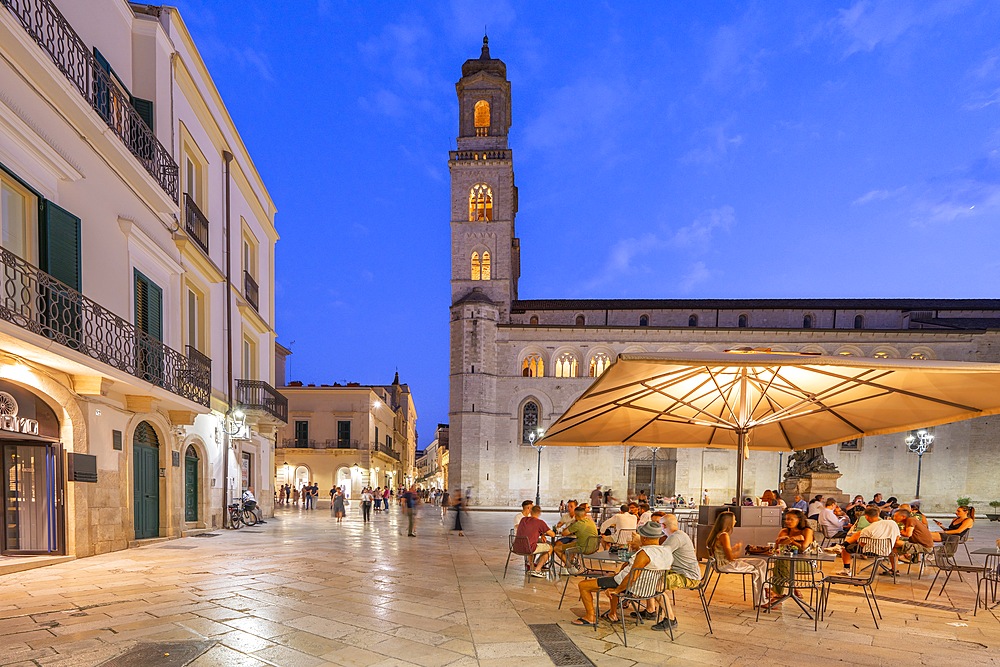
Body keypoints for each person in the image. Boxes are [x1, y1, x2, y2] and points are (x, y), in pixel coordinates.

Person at [572, 521, 674, 626]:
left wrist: (617, 590)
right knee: (612, 576)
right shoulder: (666, 551)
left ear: (644, 538)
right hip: (650, 588)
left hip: (631, 587)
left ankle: (590, 617)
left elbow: (632, 577)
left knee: (583, 585)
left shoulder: (644, 554)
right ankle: (612, 614)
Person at [706, 511, 768, 607]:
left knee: (761, 562)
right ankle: (761, 600)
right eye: (734, 519)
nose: (736, 521)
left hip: (723, 563)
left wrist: (734, 548)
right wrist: (738, 551)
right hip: (727, 565)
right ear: (729, 522)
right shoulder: (724, 535)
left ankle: (767, 588)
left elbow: (722, 551)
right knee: (757, 570)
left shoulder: (717, 534)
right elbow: (730, 558)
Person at [768, 509, 814, 602]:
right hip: (785, 561)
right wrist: (793, 539)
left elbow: (803, 548)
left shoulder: (807, 531)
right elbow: (777, 547)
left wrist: (791, 540)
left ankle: (777, 593)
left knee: (780, 564)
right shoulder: (784, 531)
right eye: (786, 519)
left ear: (799, 520)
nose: (787, 521)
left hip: (806, 562)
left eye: (790, 519)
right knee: (781, 562)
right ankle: (792, 588)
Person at [840, 505, 900, 572]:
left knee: (845, 549)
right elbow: (897, 538)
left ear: (866, 517)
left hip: (871, 551)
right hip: (888, 550)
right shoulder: (892, 523)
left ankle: (846, 569)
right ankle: (894, 570)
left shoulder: (867, 529)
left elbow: (862, 544)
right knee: (894, 550)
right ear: (878, 514)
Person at [515, 505, 555, 577]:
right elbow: (552, 535)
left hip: (516, 546)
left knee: (534, 542)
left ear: (530, 512)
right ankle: (538, 569)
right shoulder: (540, 522)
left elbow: (529, 530)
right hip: (528, 548)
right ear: (539, 513)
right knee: (550, 547)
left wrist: (541, 534)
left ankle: (532, 567)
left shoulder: (523, 519)